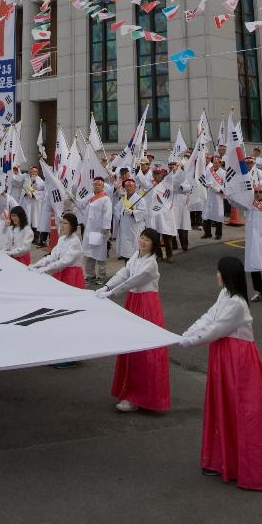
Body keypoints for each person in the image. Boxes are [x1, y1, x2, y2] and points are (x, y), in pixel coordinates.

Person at [172, 256, 262, 491]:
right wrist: (187, 332)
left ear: (227, 275)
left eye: (219, 272)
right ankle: (225, 460)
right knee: (224, 407)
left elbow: (217, 328)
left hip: (238, 361)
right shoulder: (225, 295)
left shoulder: (237, 303)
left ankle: (251, 466)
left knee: (244, 411)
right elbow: (209, 316)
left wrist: (190, 341)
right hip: (224, 357)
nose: (216, 275)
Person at [97, 228, 171, 414]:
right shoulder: (136, 256)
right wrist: (106, 285)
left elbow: (134, 280)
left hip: (147, 306)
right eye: (142, 238)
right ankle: (129, 392)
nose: (143, 242)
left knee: (144, 352)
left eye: (147, 240)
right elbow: (124, 273)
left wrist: (111, 293)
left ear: (154, 244)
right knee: (131, 348)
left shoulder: (151, 263)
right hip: (134, 302)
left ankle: (140, 396)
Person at [233, 170, 262, 303]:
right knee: (254, 265)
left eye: (260, 192)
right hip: (253, 240)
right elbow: (235, 202)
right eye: (256, 192)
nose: (258, 194)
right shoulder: (249, 204)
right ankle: (259, 291)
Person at [33, 213, 84, 287]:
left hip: (70, 274)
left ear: (72, 226)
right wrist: (37, 264)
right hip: (59, 270)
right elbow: (52, 256)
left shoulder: (75, 242)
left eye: (65, 223)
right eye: (61, 223)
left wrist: (47, 268)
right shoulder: (62, 239)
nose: (62, 226)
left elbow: (65, 261)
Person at [82, 175, 113, 285]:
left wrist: (105, 229)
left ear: (103, 186)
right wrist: (72, 198)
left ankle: (101, 275)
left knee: (99, 254)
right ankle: (90, 275)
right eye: (95, 184)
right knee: (89, 254)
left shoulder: (105, 199)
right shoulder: (90, 196)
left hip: (98, 230)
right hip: (89, 230)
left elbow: (107, 215)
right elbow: (81, 205)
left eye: (99, 185)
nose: (97, 186)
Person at [115, 178, 146, 260]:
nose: (128, 188)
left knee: (134, 250)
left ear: (135, 187)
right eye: (126, 186)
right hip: (124, 227)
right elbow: (116, 210)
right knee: (126, 251)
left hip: (134, 227)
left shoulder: (140, 199)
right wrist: (120, 215)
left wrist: (132, 212)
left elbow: (143, 213)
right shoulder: (123, 199)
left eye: (130, 186)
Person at [201, 156, 225, 240]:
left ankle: (218, 234)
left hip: (217, 197)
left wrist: (219, 189)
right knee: (206, 214)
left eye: (217, 163)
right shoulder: (209, 170)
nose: (215, 165)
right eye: (214, 163)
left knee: (218, 215)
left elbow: (226, 186)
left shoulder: (223, 173)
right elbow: (205, 179)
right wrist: (206, 184)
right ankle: (207, 233)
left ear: (220, 163)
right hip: (208, 194)